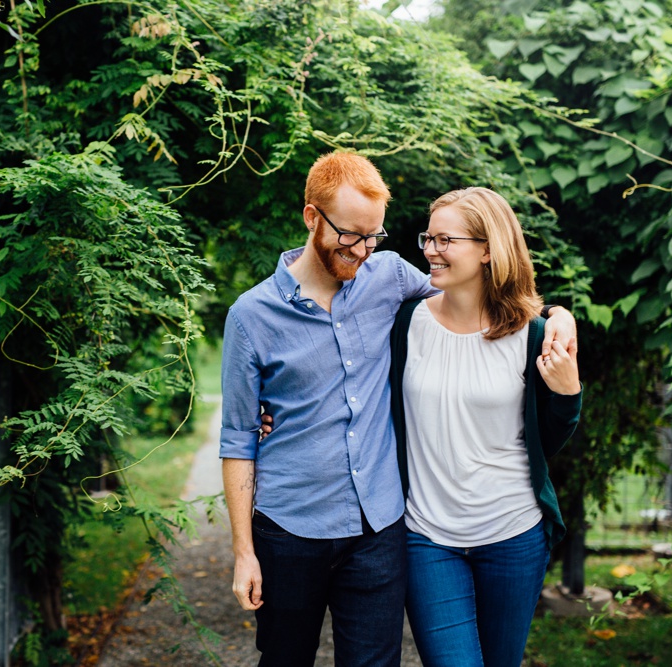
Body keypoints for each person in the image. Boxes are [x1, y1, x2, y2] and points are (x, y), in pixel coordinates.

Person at [219, 153, 576, 667]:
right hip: (291, 527)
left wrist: (557, 314)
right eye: (351, 235)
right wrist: (243, 552)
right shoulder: (252, 317)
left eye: (374, 236)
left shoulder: (387, 276)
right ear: (312, 218)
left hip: (380, 527)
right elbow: (237, 439)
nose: (363, 250)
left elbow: (480, 294)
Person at [388, 187, 582, 667]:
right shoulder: (405, 323)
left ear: (490, 248)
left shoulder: (533, 333)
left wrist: (568, 392)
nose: (431, 250)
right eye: (428, 238)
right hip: (427, 534)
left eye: (446, 240)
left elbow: (550, 438)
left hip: (513, 533)